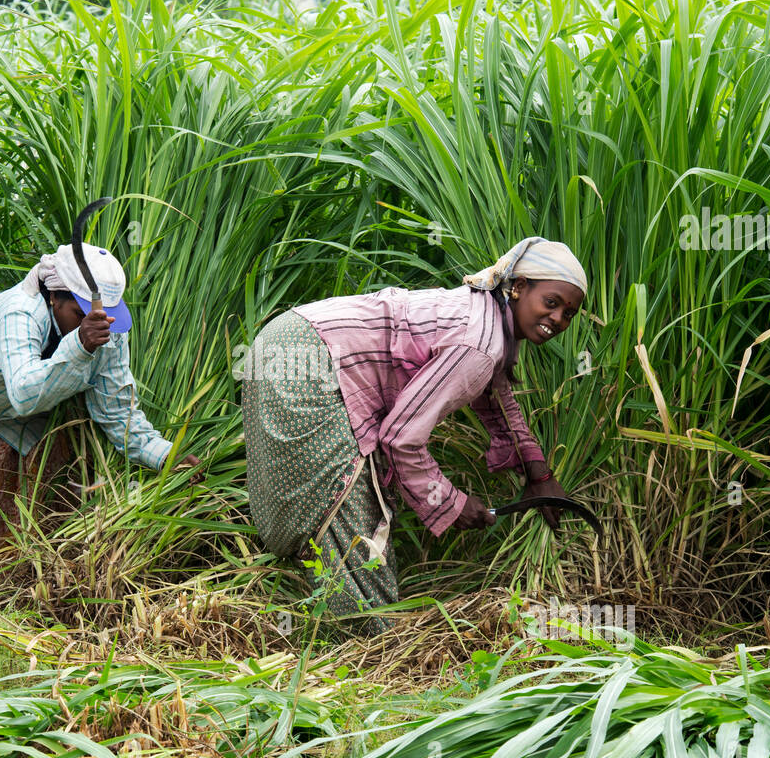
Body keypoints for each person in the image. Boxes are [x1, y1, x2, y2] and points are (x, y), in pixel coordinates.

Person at [241, 236, 587, 634]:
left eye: (569, 313)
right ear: (519, 287)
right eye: (552, 302)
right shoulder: (480, 339)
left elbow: (496, 392)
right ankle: (369, 648)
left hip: (287, 343)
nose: (558, 319)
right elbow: (401, 436)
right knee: (347, 502)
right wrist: (452, 503)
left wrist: (538, 474)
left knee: (330, 505)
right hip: (304, 363)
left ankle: (326, 627)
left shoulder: (486, 316)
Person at [0, 241, 199, 597]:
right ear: (53, 298)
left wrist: (167, 456)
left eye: (105, 316)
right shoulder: (20, 312)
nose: (95, 326)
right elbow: (25, 393)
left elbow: (118, 412)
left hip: (11, 412)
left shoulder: (105, 331)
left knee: (29, 510)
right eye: (80, 315)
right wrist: (81, 346)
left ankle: (13, 610)